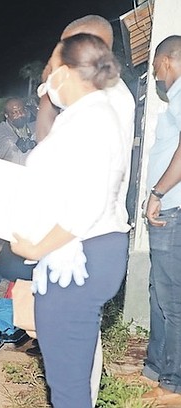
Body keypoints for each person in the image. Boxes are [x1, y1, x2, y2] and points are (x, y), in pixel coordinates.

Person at [10, 33, 129, 408]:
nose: (47, 80)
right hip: (73, 248)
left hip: (78, 253)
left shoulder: (93, 119)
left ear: (69, 72)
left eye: (51, 70)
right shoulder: (81, 115)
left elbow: (86, 204)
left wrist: (37, 247)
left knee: (68, 381)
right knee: (65, 372)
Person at [142, 35, 181, 406]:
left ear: (167, 61)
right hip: (168, 211)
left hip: (172, 210)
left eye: (155, 64)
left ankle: (173, 384)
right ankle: (155, 369)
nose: (154, 72)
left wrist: (157, 193)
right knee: (157, 293)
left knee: (173, 300)